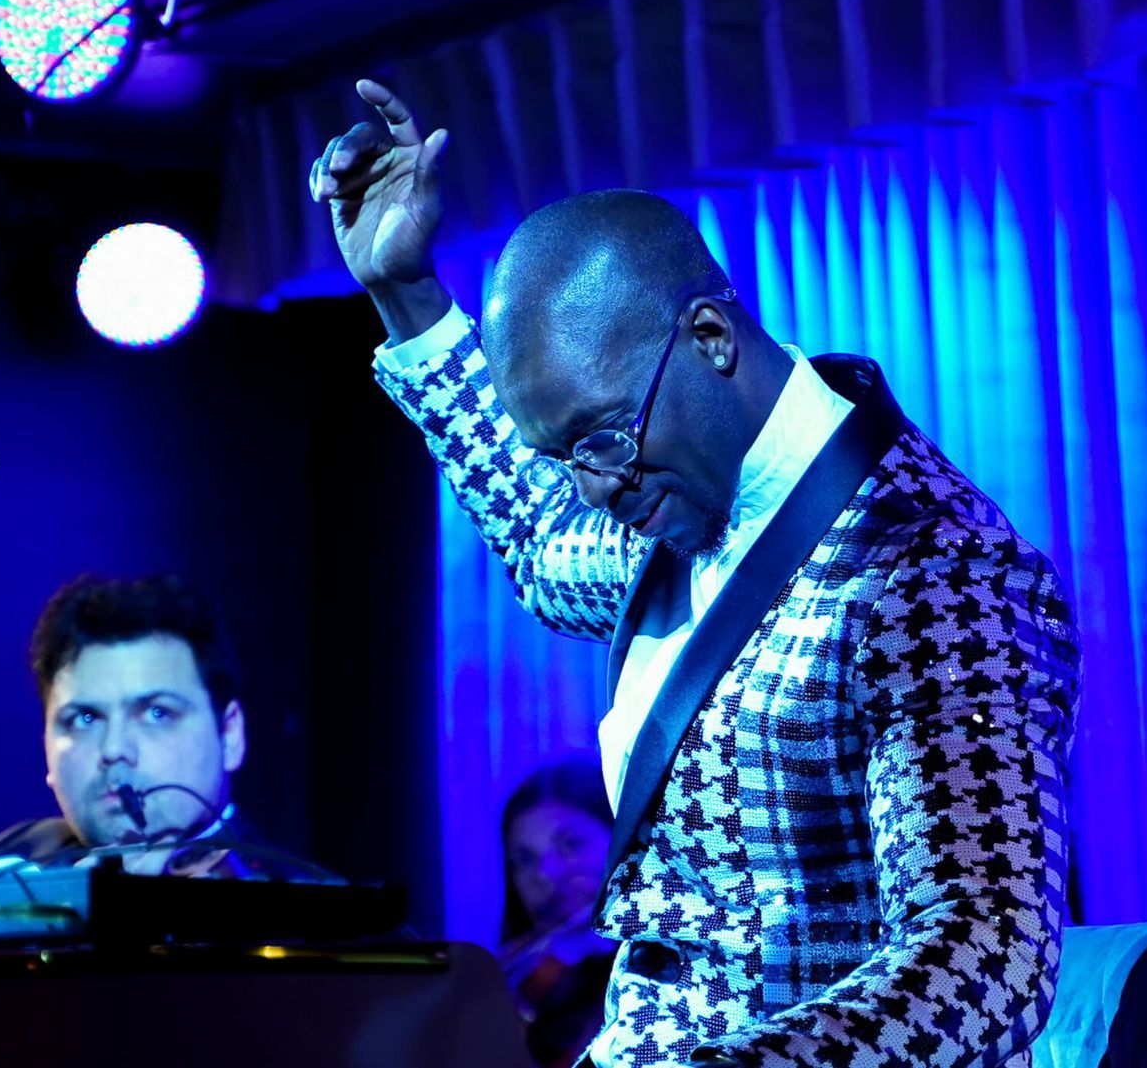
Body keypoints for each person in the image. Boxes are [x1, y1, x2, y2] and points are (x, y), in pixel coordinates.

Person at [312, 80, 1082, 1066]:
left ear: (711, 338)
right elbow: (544, 548)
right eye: (566, 458)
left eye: (600, 439)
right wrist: (406, 294)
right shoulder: (674, 502)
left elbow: (983, 959)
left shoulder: (935, 569)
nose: (592, 488)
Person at [0, 574, 319, 880]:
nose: (114, 749)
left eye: (157, 713)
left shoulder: (315, 916)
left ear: (230, 735)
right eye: (85, 719)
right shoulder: (8, 865)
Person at [498, 756, 622, 1068]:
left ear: (619, 838)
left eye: (570, 844)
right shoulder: (511, 976)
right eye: (524, 859)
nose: (546, 873)